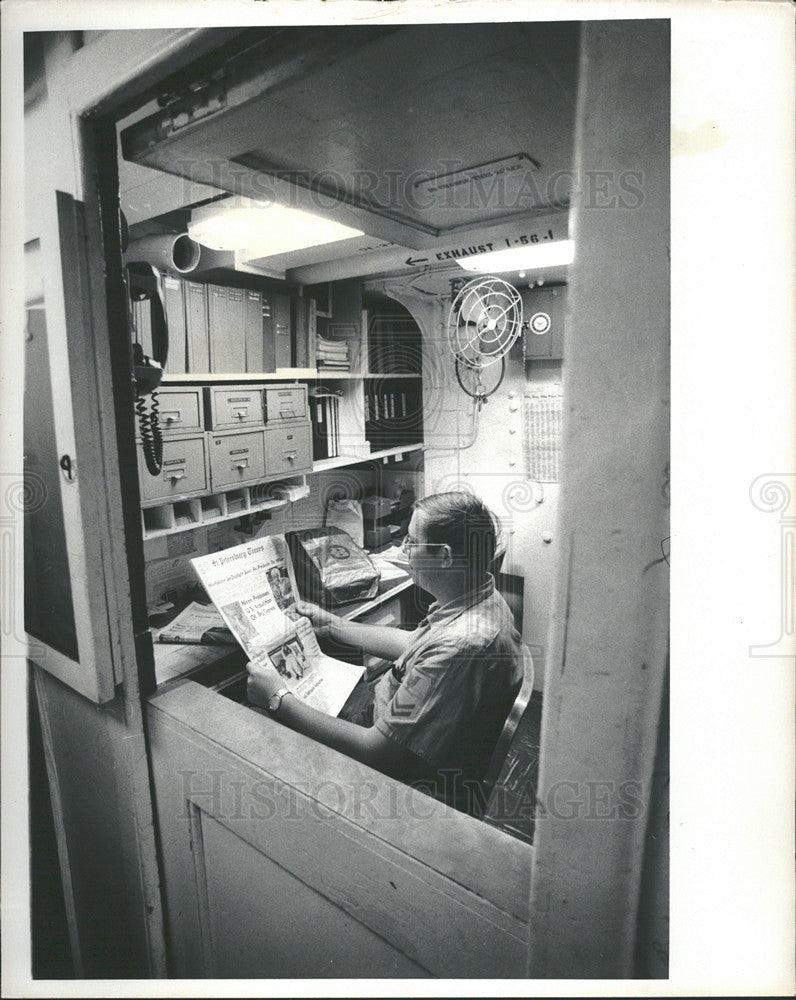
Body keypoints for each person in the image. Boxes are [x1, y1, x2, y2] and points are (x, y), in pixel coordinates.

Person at [246, 491, 528, 814]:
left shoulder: (460, 647)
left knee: (258, 723)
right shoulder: (483, 597)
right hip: (391, 715)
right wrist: (335, 626)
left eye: (411, 542)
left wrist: (278, 698)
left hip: (401, 779)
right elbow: (412, 644)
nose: (405, 550)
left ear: (445, 556)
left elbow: (374, 753)